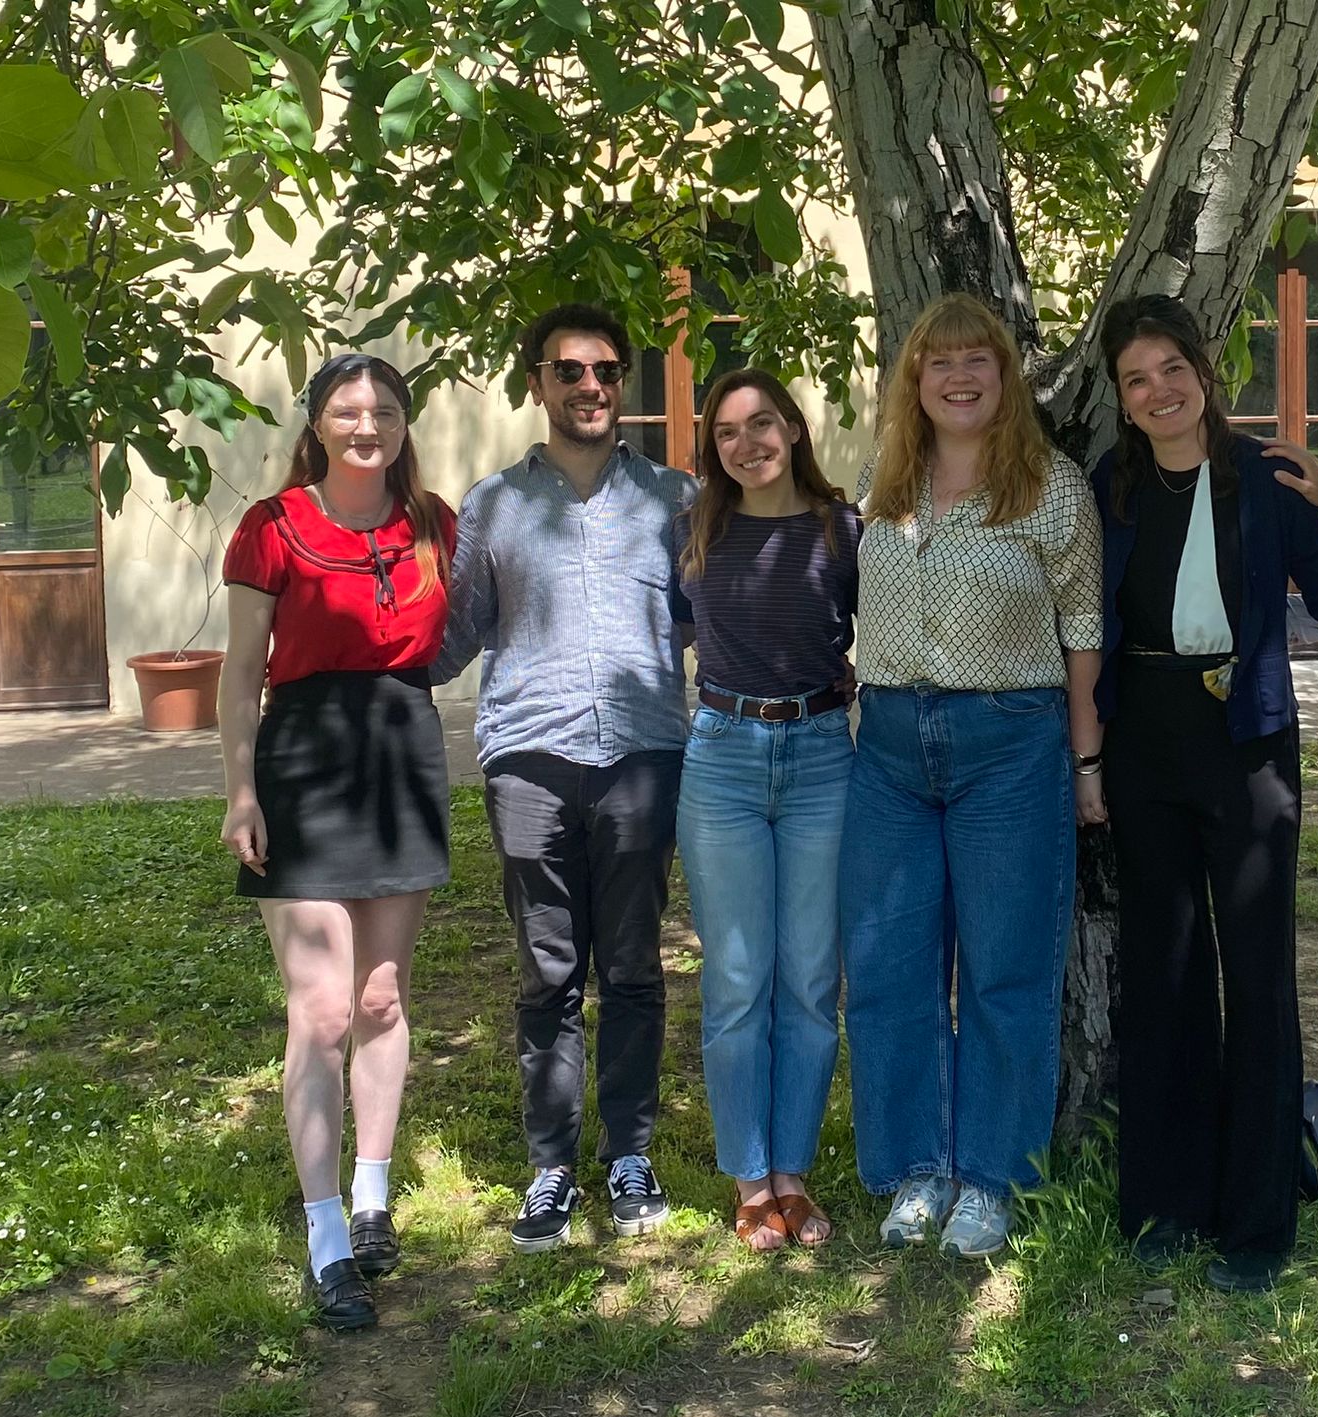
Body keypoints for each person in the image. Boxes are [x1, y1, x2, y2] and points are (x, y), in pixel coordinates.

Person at [1091, 295, 1318, 1294]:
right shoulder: (1108, 487)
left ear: (1201, 370)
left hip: (1244, 737)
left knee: (1256, 977)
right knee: (1160, 977)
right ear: (1121, 399)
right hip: (1143, 740)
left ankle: (1257, 1225)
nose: (1157, 391)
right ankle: (1165, 1205)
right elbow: (1085, 622)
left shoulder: (1268, 481)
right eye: (1135, 379)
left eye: (1169, 368)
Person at [840, 292, 1106, 1259]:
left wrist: (1085, 763)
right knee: (887, 965)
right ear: (915, 379)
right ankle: (915, 1167)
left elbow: (1083, 631)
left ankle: (991, 1177)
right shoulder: (885, 478)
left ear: (1004, 378)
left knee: (1005, 970)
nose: (959, 377)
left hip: (1011, 743)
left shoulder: (1051, 486)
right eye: (939, 361)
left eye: (978, 361)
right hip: (892, 746)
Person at [431, 304, 695, 1255]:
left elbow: (720, 619)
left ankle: (629, 1153)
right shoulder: (493, 505)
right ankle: (551, 1167)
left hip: (642, 757)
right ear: (536, 384)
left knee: (630, 966)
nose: (592, 388)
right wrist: (344, 660)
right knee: (548, 971)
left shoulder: (678, 499)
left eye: (608, 372)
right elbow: (454, 634)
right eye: (571, 372)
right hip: (529, 760)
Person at [218, 353, 455, 1330]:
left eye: (385, 411)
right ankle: (324, 1243)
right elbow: (239, 676)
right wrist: (239, 792)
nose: (368, 426)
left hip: (401, 755)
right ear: (316, 424)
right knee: (319, 1010)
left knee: (381, 998)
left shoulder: (437, 525)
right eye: (348, 412)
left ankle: (370, 1199)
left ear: (404, 425)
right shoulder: (271, 527)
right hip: (304, 764)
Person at [671, 369, 860, 1253]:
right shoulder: (695, 530)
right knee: (739, 978)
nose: (747, 445)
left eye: (763, 425)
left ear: (794, 428)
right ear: (713, 448)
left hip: (824, 755)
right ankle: (750, 1179)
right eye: (728, 433)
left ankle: (794, 1170)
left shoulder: (841, 529)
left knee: (812, 982)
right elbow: (665, 631)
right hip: (723, 760)